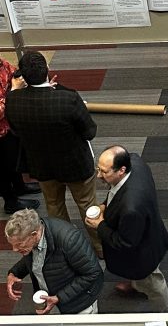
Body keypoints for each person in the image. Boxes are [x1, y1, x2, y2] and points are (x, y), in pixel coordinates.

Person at [5, 51, 101, 254]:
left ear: (23, 77)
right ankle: (100, 248)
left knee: (54, 206)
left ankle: (67, 247)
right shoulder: (68, 99)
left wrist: (15, 90)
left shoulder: (13, 101)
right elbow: (90, 132)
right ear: (47, 70)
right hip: (76, 165)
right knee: (87, 206)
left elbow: (14, 129)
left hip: (42, 165)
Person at [85, 146, 168, 310]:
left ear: (121, 170)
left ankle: (167, 314)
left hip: (142, 252)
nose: (98, 175)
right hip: (147, 227)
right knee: (142, 278)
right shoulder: (135, 161)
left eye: (104, 172)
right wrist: (106, 206)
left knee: (154, 284)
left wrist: (100, 225)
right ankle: (137, 284)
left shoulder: (131, 208)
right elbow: (116, 195)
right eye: (99, 169)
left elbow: (124, 242)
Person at [5, 208, 103, 315]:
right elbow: (38, 258)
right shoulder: (32, 238)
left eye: (19, 244)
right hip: (52, 299)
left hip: (79, 304)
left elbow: (93, 273)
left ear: (34, 234)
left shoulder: (70, 239)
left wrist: (59, 297)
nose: (14, 249)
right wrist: (15, 272)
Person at [0, 56, 41, 215]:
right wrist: (14, 90)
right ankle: (10, 201)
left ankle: (20, 187)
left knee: (12, 160)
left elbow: (13, 73)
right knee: (1, 169)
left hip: (8, 127)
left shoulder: (2, 64)